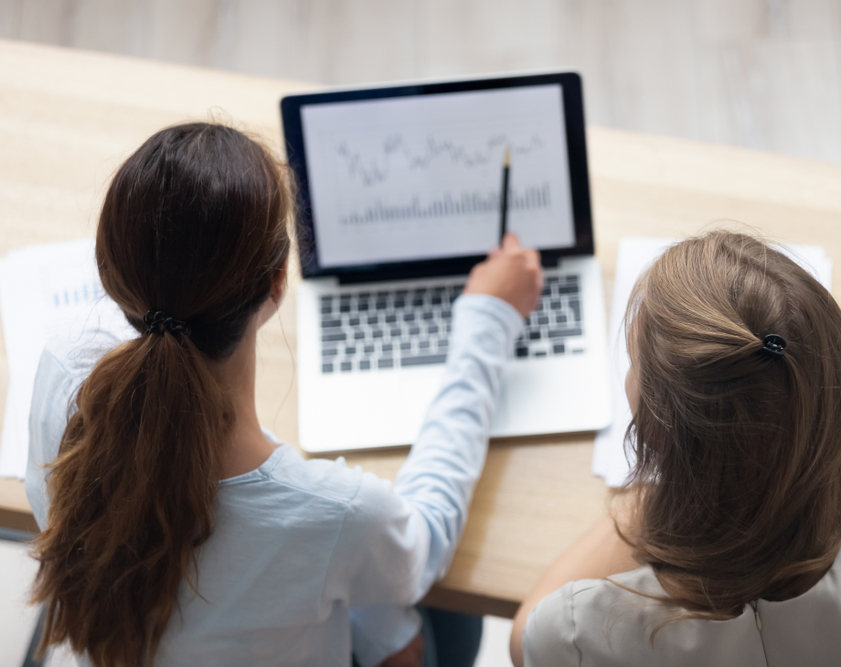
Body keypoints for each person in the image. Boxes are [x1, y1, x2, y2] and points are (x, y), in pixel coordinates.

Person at [24, 122, 543, 667]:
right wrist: (487, 320)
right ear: (277, 283)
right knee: (446, 624)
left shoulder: (63, 372)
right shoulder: (333, 512)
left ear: (113, 273)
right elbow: (426, 539)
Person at [509, 230, 841, 667]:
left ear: (650, 430)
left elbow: (525, 639)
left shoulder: (583, 631)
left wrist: (666, 485)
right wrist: (832, 462)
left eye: (634, 362)